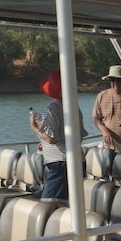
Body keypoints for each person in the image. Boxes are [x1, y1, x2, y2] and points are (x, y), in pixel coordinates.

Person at [29, 71, 87, 211]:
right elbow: (74, 135)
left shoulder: (53, 108)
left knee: (48, 206)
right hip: (74, 160)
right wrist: (44, 142)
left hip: (61, 163)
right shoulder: (74, 107)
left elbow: (51, 138)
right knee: (66, 203)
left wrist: (34, 127)